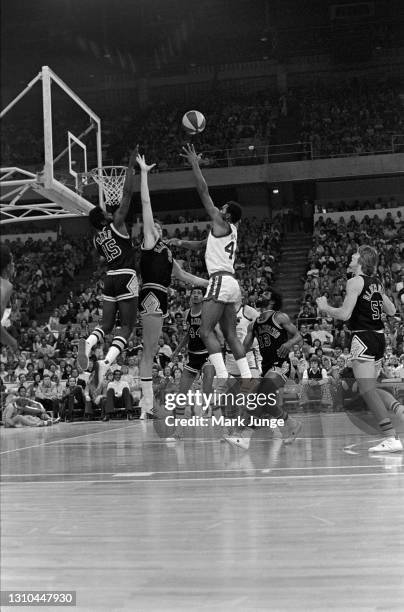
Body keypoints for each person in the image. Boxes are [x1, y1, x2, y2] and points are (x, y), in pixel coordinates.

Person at [136, 153, 209, 419]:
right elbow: (146, 203)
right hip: (152, 293)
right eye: (150, 225)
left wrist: (212, 281)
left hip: (162, 294)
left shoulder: (166, 250)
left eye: (156, 225)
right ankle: (146, 405)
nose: (153, 226)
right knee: (149, 349)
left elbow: (185, 277)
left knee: (152, 349)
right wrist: (144, 173)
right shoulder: (149, 242)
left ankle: (146, 404)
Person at [317, 245, 404, 452]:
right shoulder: (377, 283)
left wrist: (325, 307)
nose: (351, 257)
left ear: (362, 260)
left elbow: (345, 315)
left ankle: (391, 437)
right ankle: (399, 410)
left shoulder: (355, 281)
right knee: (368, 388)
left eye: (354, 255)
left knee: (365, 389)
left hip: (363, 337)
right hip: (379, 339)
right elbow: (391, 310)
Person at [177, 143, 252, 380]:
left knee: (204, 329)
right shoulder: (229, 230)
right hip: (232, 284)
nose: (220, 207)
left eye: (225, 207)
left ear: (227, 215)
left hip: (219, 280)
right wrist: (180, 243)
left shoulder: (221, 222)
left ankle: (222, 374)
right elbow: (203, 245)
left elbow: (203, 192)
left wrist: (195, 165)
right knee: (231, 335)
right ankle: (248, 378)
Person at [78, 148, 139, 388]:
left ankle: (89, 344)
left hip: (109, 279)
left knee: (105, 325)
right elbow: (127, 193)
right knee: (127, 326)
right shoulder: (117, 223)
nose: (107, 209)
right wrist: (131, 166)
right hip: (125, 276)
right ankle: (105, 361)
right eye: (103, 210)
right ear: (103, 217)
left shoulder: (96, 238)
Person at [223, 290, 303, 450]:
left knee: (260, 397)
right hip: (266, 367)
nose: (260, 295)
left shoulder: (279, 317)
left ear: (272, 301)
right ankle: (292, 424)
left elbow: (298, 336)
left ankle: (244, 436)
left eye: (265, 294)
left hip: (281, 365)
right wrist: (230, 337)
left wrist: (288, 344)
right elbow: (244, 348)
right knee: (264, 402)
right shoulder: (254, 324)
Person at [0, 245, 18, 352]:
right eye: (12, 261)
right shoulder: (5, 286)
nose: (14, 264)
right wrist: (12, 342)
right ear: (7, 266)